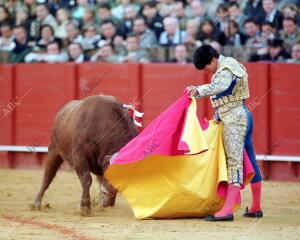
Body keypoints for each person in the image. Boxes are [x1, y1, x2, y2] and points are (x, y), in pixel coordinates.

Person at [187, 45, 263, 221]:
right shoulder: (228, 65)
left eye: (207, 67)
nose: (207, 72)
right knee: (249, 159)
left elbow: (221, 85)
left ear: (213, 59)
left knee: (234, 162)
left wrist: (198, 90)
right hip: (241, 115)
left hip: (235, 120)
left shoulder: (226, 68)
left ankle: (227, 210)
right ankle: (256, 207)